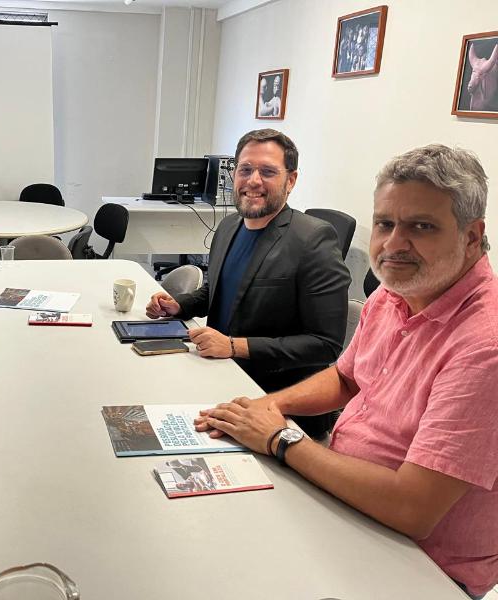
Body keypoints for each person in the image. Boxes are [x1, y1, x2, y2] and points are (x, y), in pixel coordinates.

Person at [195, 144, 497, 599]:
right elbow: (347, 378)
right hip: (347, 502)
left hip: (421, 564)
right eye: (385, 223)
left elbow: (412, 508)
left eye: (422, 226)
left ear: (472, 237)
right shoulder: (395, 293)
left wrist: (281, 437)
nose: (394, 244)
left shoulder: (485, 346)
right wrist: (264, 406)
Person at [146, 128, 350, 439]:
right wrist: (179, 305)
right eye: (245, 169)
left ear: (291, 180)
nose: (253, 180)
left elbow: (325, 345)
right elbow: (217, 291)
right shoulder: (229, 226)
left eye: (268, 171)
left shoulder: (313, 240)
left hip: (275, 405)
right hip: (218, 376)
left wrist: (233, 346)